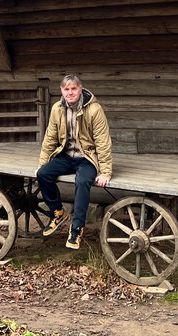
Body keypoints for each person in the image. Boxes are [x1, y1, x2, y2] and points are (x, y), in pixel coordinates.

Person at [36, 74, 113, 250]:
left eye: (73, 89)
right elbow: (50, 138)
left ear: (80, 89)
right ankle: (58, 213)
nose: (70, 92)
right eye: (66, 89)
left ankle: (77, 227)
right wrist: (43, 163)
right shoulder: (57, 108)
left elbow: (103, 141)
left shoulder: (94, 110)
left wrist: (105, 172)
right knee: (43, 174)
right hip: (65, 155)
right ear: (62, 91)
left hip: (86, 157)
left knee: (83, 181)